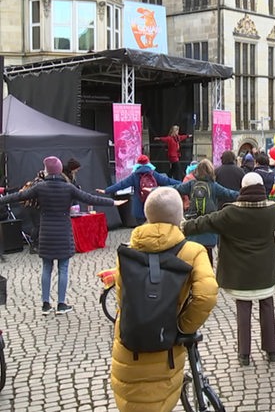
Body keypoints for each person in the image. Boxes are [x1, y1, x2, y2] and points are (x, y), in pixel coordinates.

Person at [111, 188, 218, 411]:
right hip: (165, 347)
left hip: (129, 347)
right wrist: (182, 326)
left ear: (147, 215)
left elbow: (122, 296)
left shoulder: (129, 251)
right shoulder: (192, 251)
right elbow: (206, 294)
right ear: (180, 216)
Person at [182, 172, 275, 366]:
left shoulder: (230, 213)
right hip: (265, 270)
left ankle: (244, 354)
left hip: (239, 272)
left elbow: (205, 222)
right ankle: (272, 351)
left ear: (243, 189)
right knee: (267, 305)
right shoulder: (273, 211)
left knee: (243, 308)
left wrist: (183, 227)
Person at [0, 157, 126, 315]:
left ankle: (45, 305)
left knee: (46, 268)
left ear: (47, 170)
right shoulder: (68, 187)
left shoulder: (40, 187)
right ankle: (61, 304)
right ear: (60, 170)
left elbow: (18, 196)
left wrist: (2, 200)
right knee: (63, 268)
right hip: (63, 232)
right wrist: (113, 203)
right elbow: (89, 198)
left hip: (46, 232)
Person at [173, 159, 239, 266]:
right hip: (209, 227)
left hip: (193, 227)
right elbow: (230, 194)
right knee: (208, 259)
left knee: (192, 259)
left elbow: (175, 189)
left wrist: (154, 190)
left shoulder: (191, 184)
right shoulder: (213, 186)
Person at [98, 155, 180, 225]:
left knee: (141, 228)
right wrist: (183, 183)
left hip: (139, 207)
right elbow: (168, 181)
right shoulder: (153, 174)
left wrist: (106, 190)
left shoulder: (134, 176)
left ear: (138, 164)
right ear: (148, 163)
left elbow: (121, 185)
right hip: (152, 205)